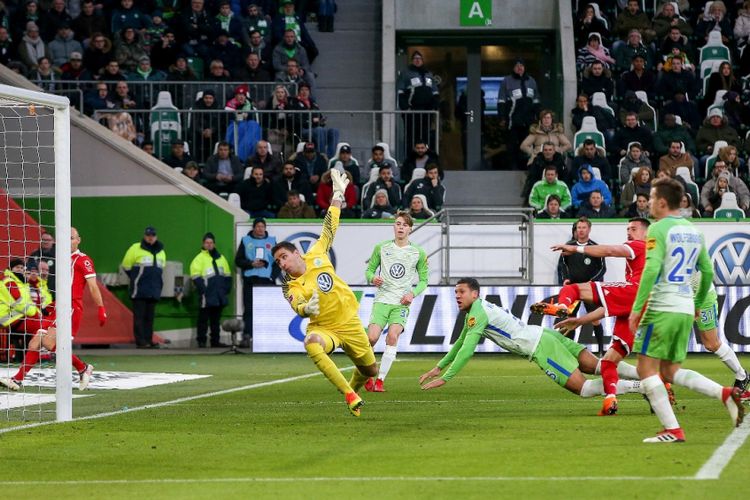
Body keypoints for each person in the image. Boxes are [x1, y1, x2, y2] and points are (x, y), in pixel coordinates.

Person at [628, 178, 743, 442]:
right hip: (683, 307)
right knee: (669, 371)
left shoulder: (658, 229)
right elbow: (708, 271)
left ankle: (673, 429)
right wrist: (696, 303)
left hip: (662, 307)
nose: (648, 204)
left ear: (662, 202)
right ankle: (724, 394)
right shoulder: (694, 230)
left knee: (646, 369)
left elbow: (652, 269)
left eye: (653, 198)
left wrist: (637, 309)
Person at [418, 278, 643, 402]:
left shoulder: (478, 314)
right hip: (544, 334)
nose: (457, 296)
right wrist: (438, 368)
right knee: (599, 366)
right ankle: (651, 378)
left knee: (583, 389)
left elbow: (467, 350)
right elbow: (460, 342)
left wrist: (446, 378)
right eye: (455, 293)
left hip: (541, 347)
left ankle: (642, 387)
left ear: (474, 294)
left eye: (461, 292)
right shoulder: (478, 310)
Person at [272, 169, 378, 416]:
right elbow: (296, 304)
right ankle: (350, 395)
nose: (282, 264)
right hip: (324, 327)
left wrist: (338, 193)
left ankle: (354, 387)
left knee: (371, 371)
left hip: (349, 322)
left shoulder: (317, 253)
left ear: (296, 253)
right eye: (278, 262)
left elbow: (330, 224)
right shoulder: (289, 284)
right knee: (311, 343)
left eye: (284, 257)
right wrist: (305, 309)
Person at [542, 218, 650, 416]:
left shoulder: (639, 245)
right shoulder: (650, 257)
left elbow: (610, 251)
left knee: (572, 288)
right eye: (627, 228)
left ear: (646, 234)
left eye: (633, 228)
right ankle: (612, 399)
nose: (629, 232)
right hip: (639, 308)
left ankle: (562, 305)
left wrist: (574, 248)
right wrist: (580, 321)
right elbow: (610, 306)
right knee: (609, 362)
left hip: (635, 293)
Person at [1, 228, 106, 392]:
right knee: (35, 341)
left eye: (72, 238)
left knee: (49, 343)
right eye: (65, 238)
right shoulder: (63, 259)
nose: (68, 241)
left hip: (71, 307)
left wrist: (101, 308)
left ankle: (83, 367)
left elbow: (92, 286)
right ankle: (17, 380)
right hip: (59, 307)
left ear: (79, 240)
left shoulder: (82, 259)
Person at [364, 212, 428, 392]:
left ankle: (380, 381)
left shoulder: (418, 252)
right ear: (394, 226)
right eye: (398, 224)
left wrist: (412, 293)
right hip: (382, 301)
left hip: (401, 303)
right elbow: (369, 270)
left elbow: (424, 280)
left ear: (410, 229)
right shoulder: (381, 248)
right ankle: (367, 375)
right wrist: (372, 278)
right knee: (371, 338)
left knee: (392, 336)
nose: (400, 227)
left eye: (404, 225)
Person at [554, 217, 607, 353]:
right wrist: (565, 278)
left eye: (584, 228)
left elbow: (602, 268)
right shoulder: (569, 246)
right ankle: (570, 350)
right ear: (576, 230)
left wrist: (593, 281)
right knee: (571, 319)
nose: (581, 230)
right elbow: (562, 266)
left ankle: (601, 351)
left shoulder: (595, 247)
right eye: (579, 228)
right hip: (573, 289)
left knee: (595, 319)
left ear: (589, 229)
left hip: (589, 290)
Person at [121, 226, 165, 348]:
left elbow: (160, 270)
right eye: (148, 235)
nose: (150, 238)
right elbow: (126, 266)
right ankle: (141, 342)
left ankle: (148, 340)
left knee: (149, 317)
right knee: (139, 317)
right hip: (139, 290)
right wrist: (136, 279)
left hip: (154, 289)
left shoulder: (161, 251)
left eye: (152, 236)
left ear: (156, 237)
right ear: (145, 236)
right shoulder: (135, 248)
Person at [235, 218, 275, 347]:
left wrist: (273, 277)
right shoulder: (246, 241)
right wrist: (250, 263)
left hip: (266, 281)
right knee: (249, 309)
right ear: (253, 228)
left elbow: (279, 261)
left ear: (265, 228)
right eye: (257, 226)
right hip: (250, 280)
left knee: (267, 310)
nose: (260, 229)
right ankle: (247, 336)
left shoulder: (272, 241)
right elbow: (238, 260)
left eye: (262, 226)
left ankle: (269, 336)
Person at [190, 233, 231, 348]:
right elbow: (195, 277)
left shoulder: (221, 258)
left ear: (214, 244)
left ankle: (215, 341)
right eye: (207, 243)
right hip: (206, 295)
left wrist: (225, 290)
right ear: (203, 244)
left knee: (215, 320)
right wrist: (204, 291)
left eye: (211, 243)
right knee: (203, 319)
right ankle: (201, 341)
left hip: (219, 295)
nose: (209, 245)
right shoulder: (199, 259)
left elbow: (228, 276)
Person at [498, 58, 540, 164]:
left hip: (528, 120)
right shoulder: (506, 81)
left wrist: (538, 117)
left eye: (522, 65)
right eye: (517, 65)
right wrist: (502, 118)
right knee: (512, 145)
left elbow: (536, 101)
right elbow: (501, 101)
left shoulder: (531, 81)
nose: (519, 68)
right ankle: (512, 168)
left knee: (527, 144)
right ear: (513, 68)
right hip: (513, 120)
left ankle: (525, 166)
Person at [397, 50, 439, 150]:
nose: (417, 60)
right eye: (415, 58)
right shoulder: (406, 73)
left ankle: (425, 159)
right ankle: (410, 159)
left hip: (427, 112)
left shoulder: (429, 74)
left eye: (419, 58)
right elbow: (401, 93)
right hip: (412, 111)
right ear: (412, 60)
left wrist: (434, 106)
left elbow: (435, 93)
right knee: (411, 136)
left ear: (422, 61)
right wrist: (406, 109)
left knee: (425, 136)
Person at [28, 231, 56, 297]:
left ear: (53, 241)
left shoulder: (58, 256)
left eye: (48, 240)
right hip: (36, 289)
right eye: (43, 240)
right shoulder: (34, 254)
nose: (45, 242)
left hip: (53, 290)